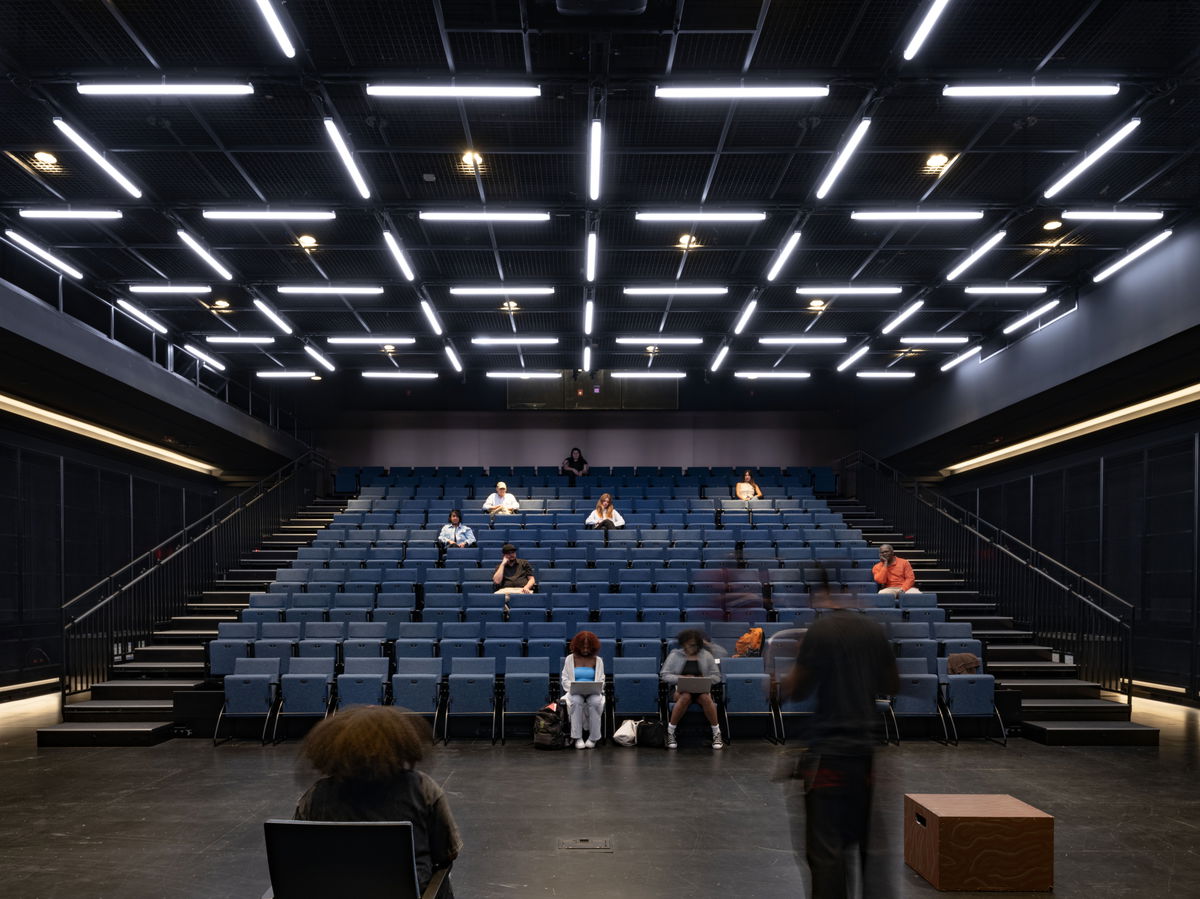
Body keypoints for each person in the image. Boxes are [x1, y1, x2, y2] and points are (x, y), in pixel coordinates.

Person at [780, 578, 899, 899]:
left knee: (826, 850)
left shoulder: (819, 632)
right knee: (867, 846)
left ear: (827, 594)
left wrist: (791, 670)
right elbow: (892, 683)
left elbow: (798, 689)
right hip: (865, 753)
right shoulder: (873, 631)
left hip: (828, 752)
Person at [294, 705, 463, 897]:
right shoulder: (423, 789)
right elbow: (447, 852)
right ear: (399, 745)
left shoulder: (315, 797)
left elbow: (300, 857)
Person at [659, 628, 723, 750]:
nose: (690, 647)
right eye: (688, 644)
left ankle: (716, 733)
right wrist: (681, 678)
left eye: (693, 644)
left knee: (705, 697)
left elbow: (717, 677)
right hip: (679, 689)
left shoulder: (706, 655)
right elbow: (664, 675)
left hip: (701, 689)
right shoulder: (675, 655)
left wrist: (704, 678)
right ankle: (671, 732)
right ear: (683, 644)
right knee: (686, 696)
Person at [560, 630, 605, 749]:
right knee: (576, 701)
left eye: (588, 647)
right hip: (575, 692)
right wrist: (573, 688)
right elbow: (564, 679)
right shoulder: (570, 659)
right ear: (577, 646)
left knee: (595, 702)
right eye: (583, 647)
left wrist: (598, 687)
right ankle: (577, 737)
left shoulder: (598, 660)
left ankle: (593, 738)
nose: (585, 650)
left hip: (593, 692)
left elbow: (601, 679)